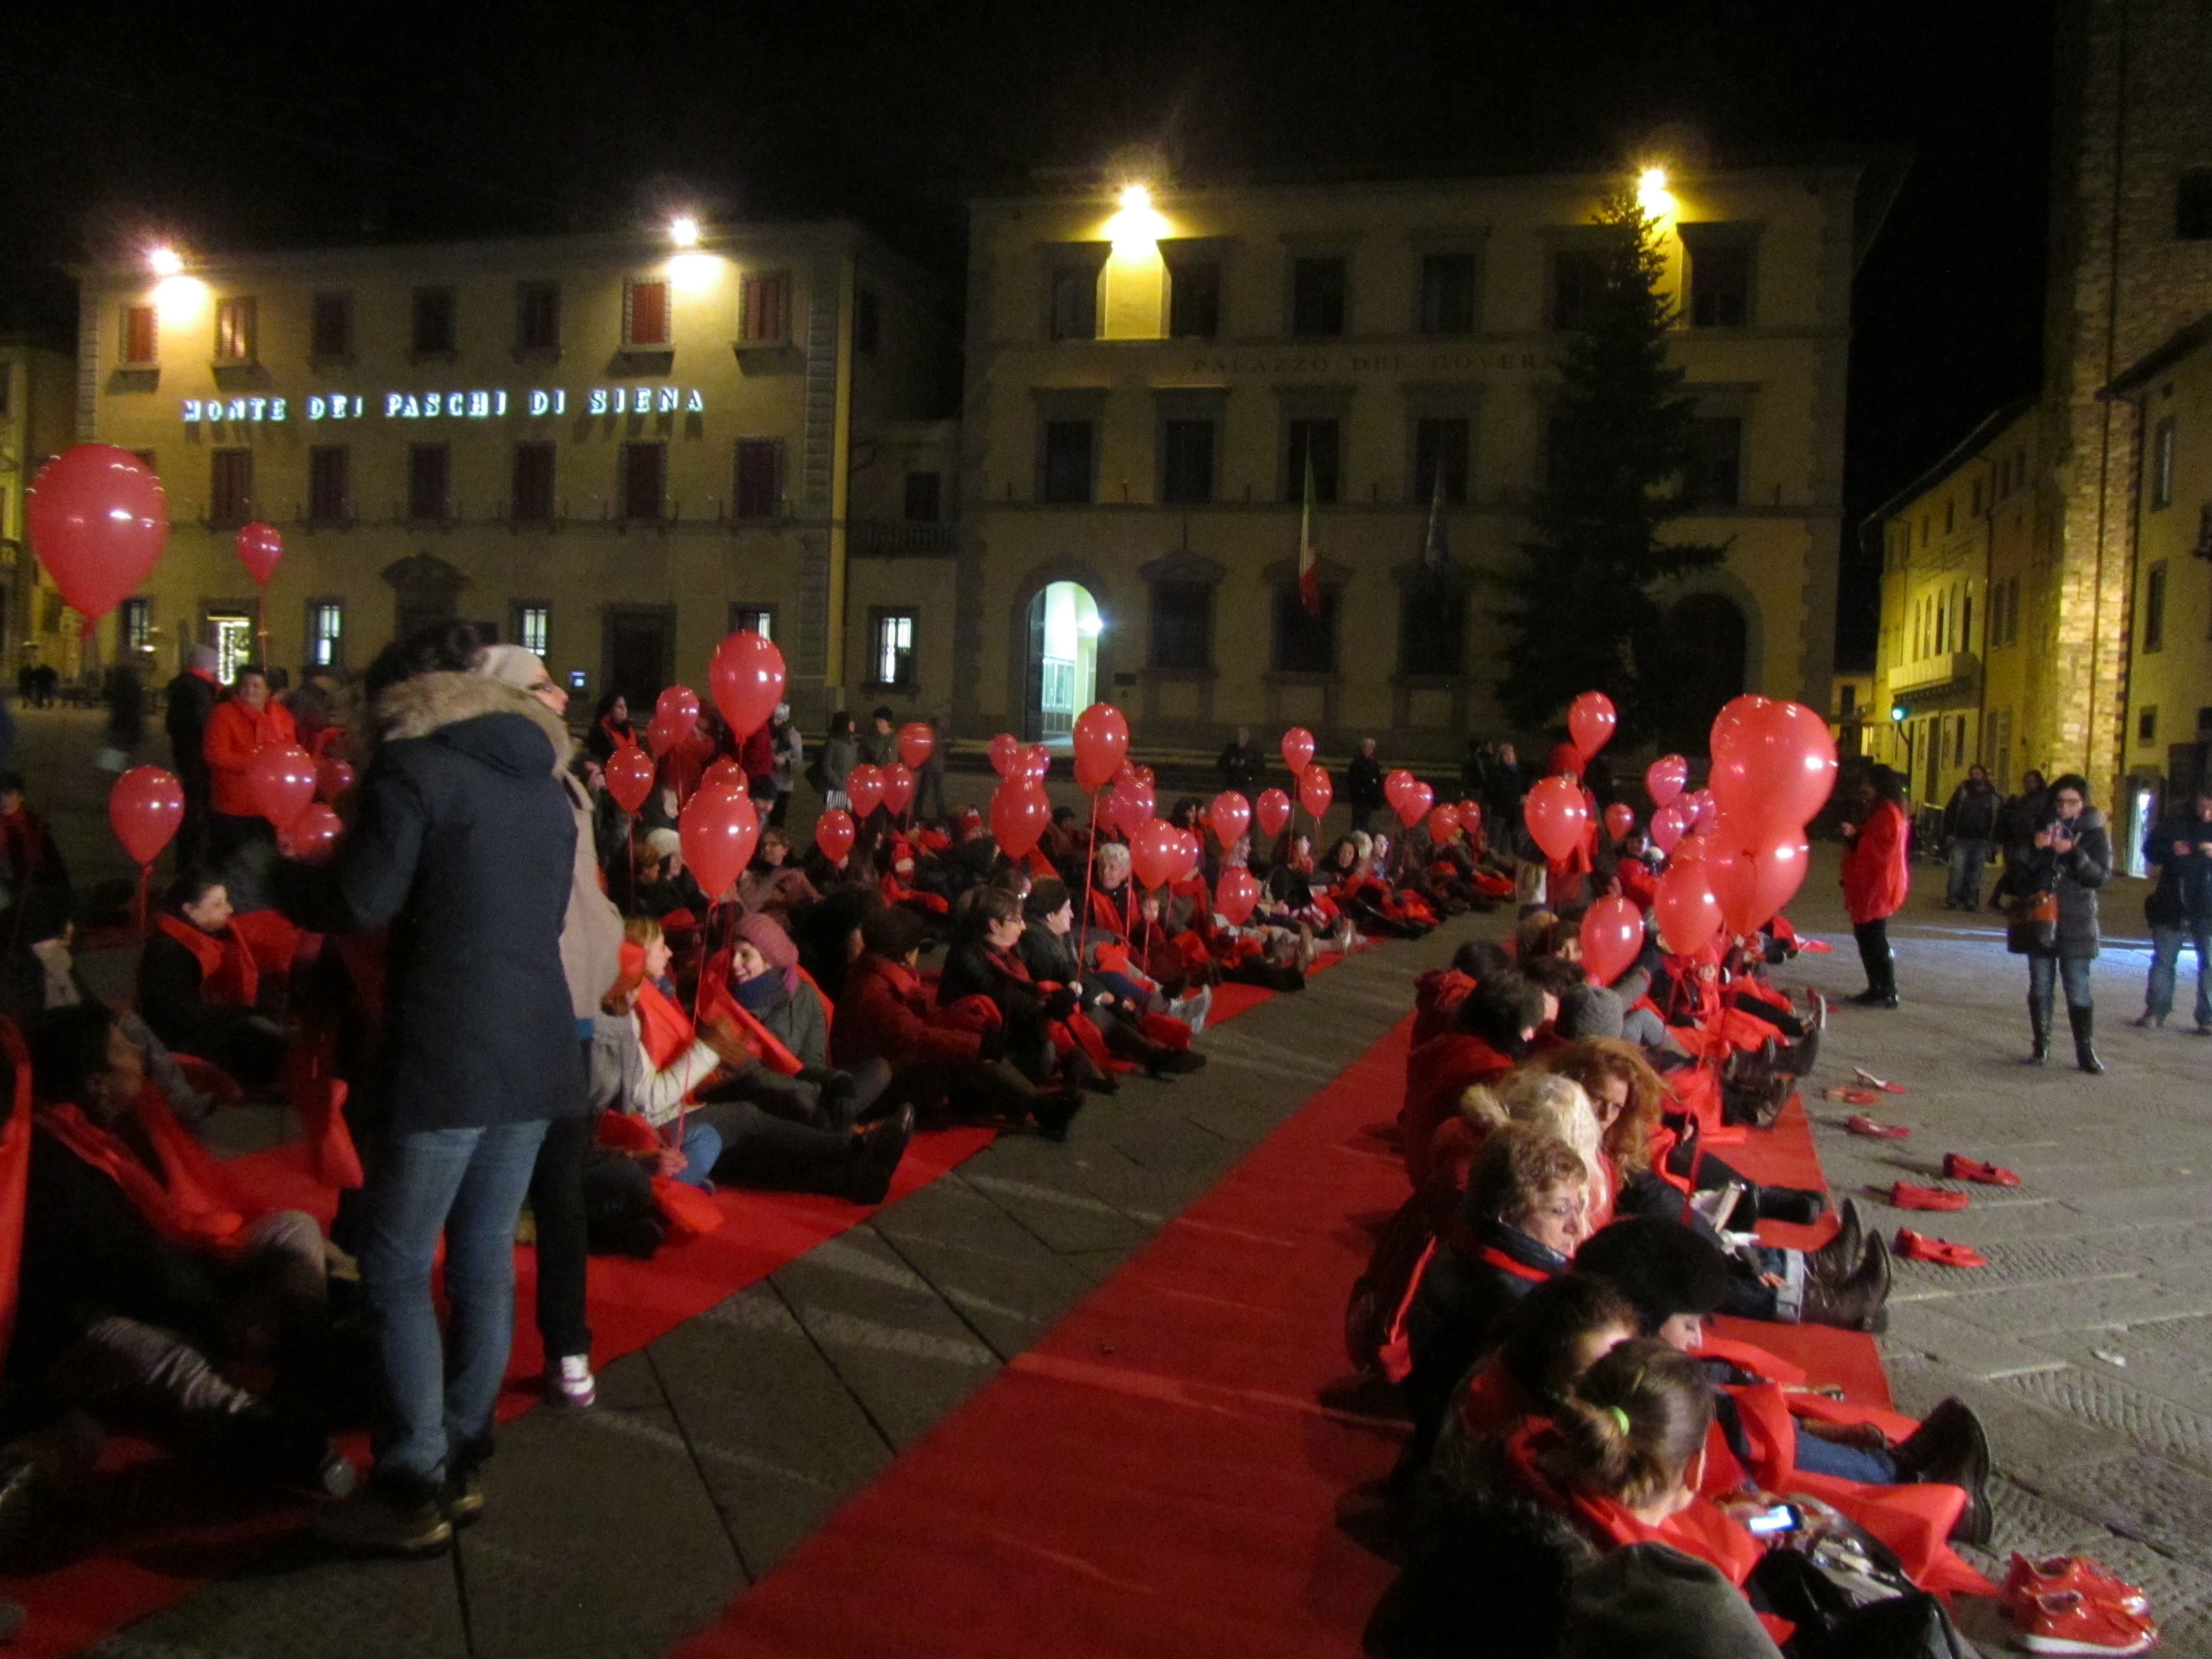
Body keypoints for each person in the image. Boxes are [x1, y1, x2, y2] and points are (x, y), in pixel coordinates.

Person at [282, 623, 585, 1554]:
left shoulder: (414, 771)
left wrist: (276, 877)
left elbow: (361, 901)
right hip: (537, 1048)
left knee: (395, 1262)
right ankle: (463, 1446)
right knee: (484, 1253)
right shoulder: (542, 785)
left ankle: (413, 1477)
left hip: (448, 1048)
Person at [16, 1004, 349, 1498]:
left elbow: (178, 1228)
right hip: (91, 1319)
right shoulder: (56, 1167)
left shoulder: (124, 1123)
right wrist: (218, 1327)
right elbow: (135, 1274)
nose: (139, 1052)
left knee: (293, 1228)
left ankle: (303, 1356)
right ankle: (274, 1434)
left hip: (172, 1279)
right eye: (123, 1049)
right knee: (175, 1367)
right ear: (98, 1084)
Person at [475, 645, 622, 1413]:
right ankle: (482, 1365)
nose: (562, 696)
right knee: (501, 1195)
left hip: (572, 1009)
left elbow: (587, 898)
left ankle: (567, 1348)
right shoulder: (510, 783)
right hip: (525, 1005)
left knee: (557, 1191)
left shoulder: (564, 782)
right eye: (542, 685)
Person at [2000, 772, 2112, 1072]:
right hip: (2040, 916)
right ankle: (2041, 1046)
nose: (2065, 808)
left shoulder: (2095, 833)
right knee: (2040, 984)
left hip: (2077, 918)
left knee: (2078, 986)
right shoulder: (2037, 827)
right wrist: (2033, 848)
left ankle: (2085, 1051)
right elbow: (2015, 874)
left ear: (2084, 803)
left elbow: (2099, 877)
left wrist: (2075, 854)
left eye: (2072, 802)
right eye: (2060, 802)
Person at [137, 874, 289, 1091]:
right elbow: (179, 1014)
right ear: (189, 910)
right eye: (218, 904)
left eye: (226, 901)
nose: (229, 909)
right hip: (182, 1038)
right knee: (264, 1039)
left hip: (204, 1021)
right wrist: (241, 1014)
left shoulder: (205, 935)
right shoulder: (169, 952)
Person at [201, 665, 298, 912]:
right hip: (233, 805)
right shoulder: (224, 714)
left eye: (257, 686)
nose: (250, 690)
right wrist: (258, 764)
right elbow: (216, 755)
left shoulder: (281, 717)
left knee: (262, 862)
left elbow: (291, 752)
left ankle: (255, 909)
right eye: (245, 684)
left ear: (269, 690)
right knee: (229, 861)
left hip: (270, 808)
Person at [2137, 786, 2212, 1035]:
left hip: (2208, 906)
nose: (2206, 814)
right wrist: (2171, 850)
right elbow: (2150, 850)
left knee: (2210, 963)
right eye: (2202, 807)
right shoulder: (2176, 820)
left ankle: (2208, 1017)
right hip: (2172, 902)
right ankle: (2156, 1011)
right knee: (2164, 960)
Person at [1838, 764, 1908, 1008]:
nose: (1865, 789)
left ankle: (1886, 990)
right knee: (1867, 936)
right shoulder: (1884, 809)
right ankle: (1877, 987)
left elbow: (1881, 848)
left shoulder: (1887, 812)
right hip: (1874, 882)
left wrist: (1855, 836)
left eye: (1868, 784)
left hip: (1879, 884)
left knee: (1874, 937)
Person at [165, 646, 223, 871]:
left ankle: (189, 857)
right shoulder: (198, 690)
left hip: (186, 755)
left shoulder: (185, 686)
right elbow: (204, 724)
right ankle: (191, 859)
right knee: (196, 808)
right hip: (197, 758)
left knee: (193, 805)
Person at [0, 771, 69, 910]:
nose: (3, 798)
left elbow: (52, 859)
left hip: (39, 887)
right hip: (9, 888)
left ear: (21, 796)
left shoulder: (34, 825)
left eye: (8, 793)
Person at [1939, 762, 2001, 911]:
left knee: (1976, 874)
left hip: (1981, 840)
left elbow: (1998, 820)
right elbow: (1951, 812)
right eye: (1972, 774)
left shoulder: (1993, 797)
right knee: (1957, 870)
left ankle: (1971, 901)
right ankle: (1952, 899)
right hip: (1961, 838)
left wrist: (1995, 841)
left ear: (1984, 776)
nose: (1975, 777)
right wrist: (1949, 833)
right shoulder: (1963, 792)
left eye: (1978, 774)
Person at [769, 703, 804, 828]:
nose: (775, 722)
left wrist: (785, 761)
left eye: (779, 719)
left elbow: (798, 761)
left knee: (778, 818)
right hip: (768, 780)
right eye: (774, 718)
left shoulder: (794, 736)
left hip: (784, 783)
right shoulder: (768, 733)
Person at [1345, 738, 1386, 835]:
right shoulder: (1356, 763)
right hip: (1359, 798)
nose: (1368, 750)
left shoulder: (1374, 763)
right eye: (1366, 748)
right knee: (1356, 823)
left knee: (1365, 823)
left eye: (1370, 748)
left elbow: (1378, 779)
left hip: (1369, 798)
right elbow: (1351, 780)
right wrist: (1360, 790)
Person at [819, 711, 858, 810]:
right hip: (835, 790)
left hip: (850, 789)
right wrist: (841, 784)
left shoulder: (852, 743)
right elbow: (827, 767)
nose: (853, 724)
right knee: (837, 815)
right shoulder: (833, 743)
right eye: (850, 722)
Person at [584, 691, 636, 763]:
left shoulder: (630, 729)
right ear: (609, 710)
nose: (624, 709)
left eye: (625, 705)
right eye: (619, 706)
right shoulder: (599, 732)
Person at [916, 712, 949, 821]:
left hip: (931, 765)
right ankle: (941, 815)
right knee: (937, 792)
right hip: (934, 766)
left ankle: (918, 813)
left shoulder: (931, 732)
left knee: (925, 791)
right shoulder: (937, 733)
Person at [1217, 726, 1262, 799]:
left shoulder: (1254, 750)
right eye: (1239, 735)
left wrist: (1246, 764)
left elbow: (1260, 768)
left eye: (1243, 735)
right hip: (1231, 783)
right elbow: (1220, 765)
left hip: (1247, 784)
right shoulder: (1230, 748)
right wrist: (1230, 763)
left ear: (1247, 737)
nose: (1241, 738)